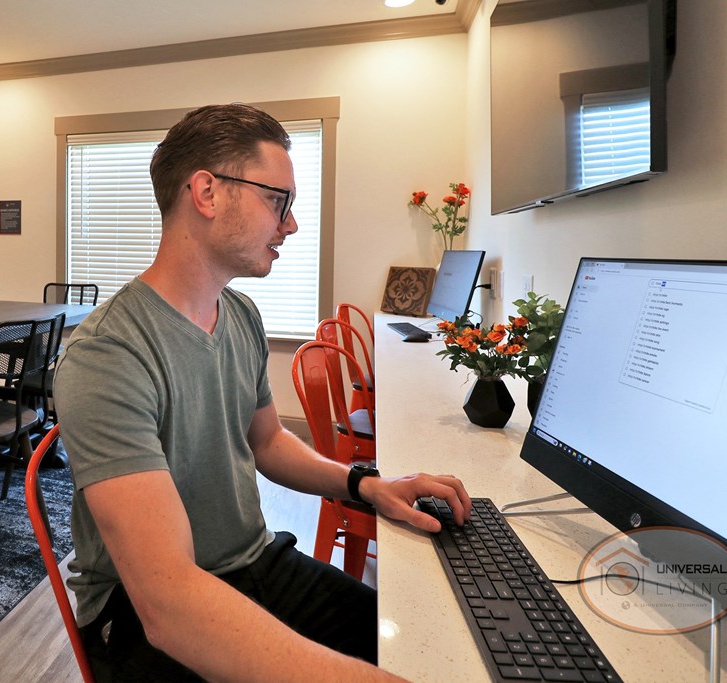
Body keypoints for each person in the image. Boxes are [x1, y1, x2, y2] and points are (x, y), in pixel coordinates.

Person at [53, 102, 472, 682]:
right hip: (141, 613)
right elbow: (168, 604)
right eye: (279, 201)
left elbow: (269, 442)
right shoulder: (107, 354)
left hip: (255, 561)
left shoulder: (242, 315)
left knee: (426, 647)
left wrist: (366, 485)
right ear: (207, 193)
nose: (291, 224)